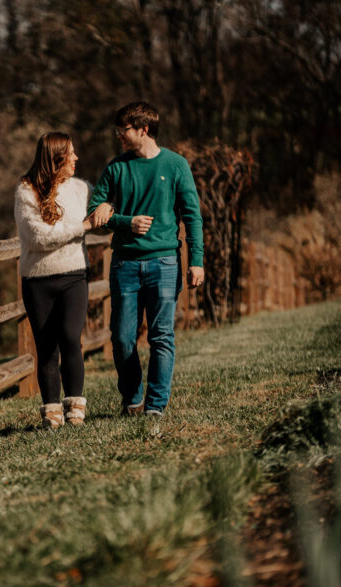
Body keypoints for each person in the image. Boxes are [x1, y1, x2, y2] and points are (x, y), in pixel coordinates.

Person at [88, 101, 204, 417]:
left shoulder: (176, 165)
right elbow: (94, 211)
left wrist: (197, 260)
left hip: (164, 263)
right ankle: (133, 399)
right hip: (125, 264)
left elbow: (192, 215)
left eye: (123, 130)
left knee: (161, 336)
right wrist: (125, 221)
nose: (118, 136)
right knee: (123, 339)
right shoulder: (116, 168)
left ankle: (155, 407)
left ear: (144, 129)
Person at [15, 131, 103, 429]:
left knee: (70, 339)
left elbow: (100, 222)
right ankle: (52, 413)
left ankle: (75, 408)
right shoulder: (26, 192)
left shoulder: (81, 189)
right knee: (47, 347)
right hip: (37, 279)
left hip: (74, 275)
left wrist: (105, 213)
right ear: (56, 158)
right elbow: (39, 237)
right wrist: (83, 226)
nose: (77, 158)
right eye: (71, 154)